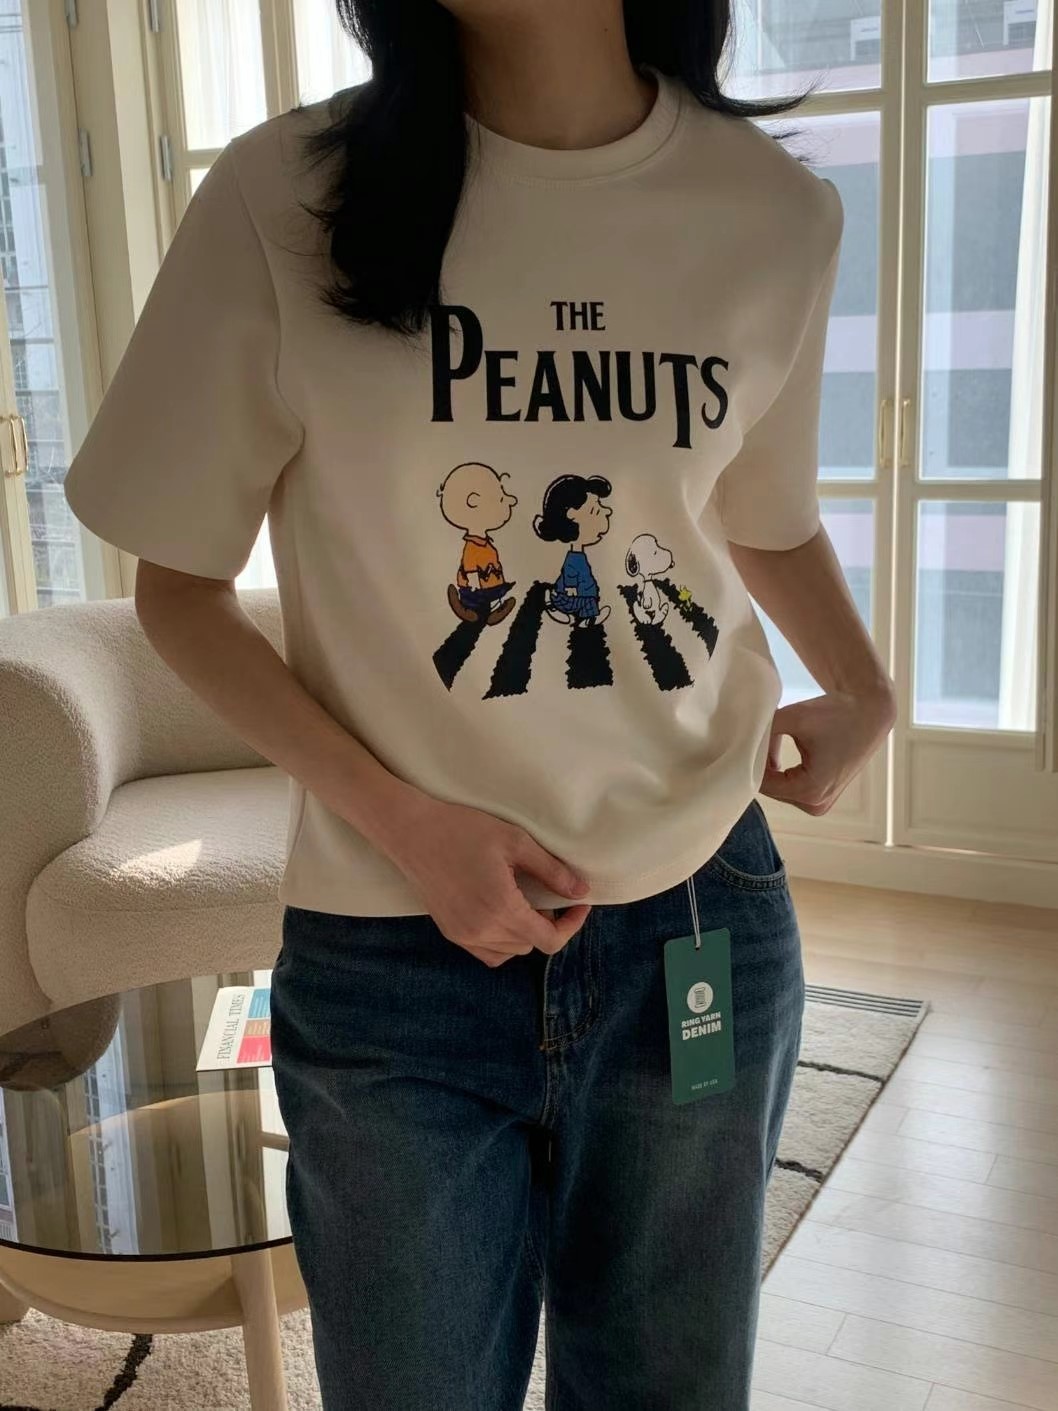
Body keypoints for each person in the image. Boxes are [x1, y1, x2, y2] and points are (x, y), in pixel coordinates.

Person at [61, 1, 897, 1406]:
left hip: (696, 912)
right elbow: (179, 594)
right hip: (392, 952)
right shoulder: (284, 195)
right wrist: (406, 823)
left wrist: (865, 685)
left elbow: (760, 513)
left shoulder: (773, 212)